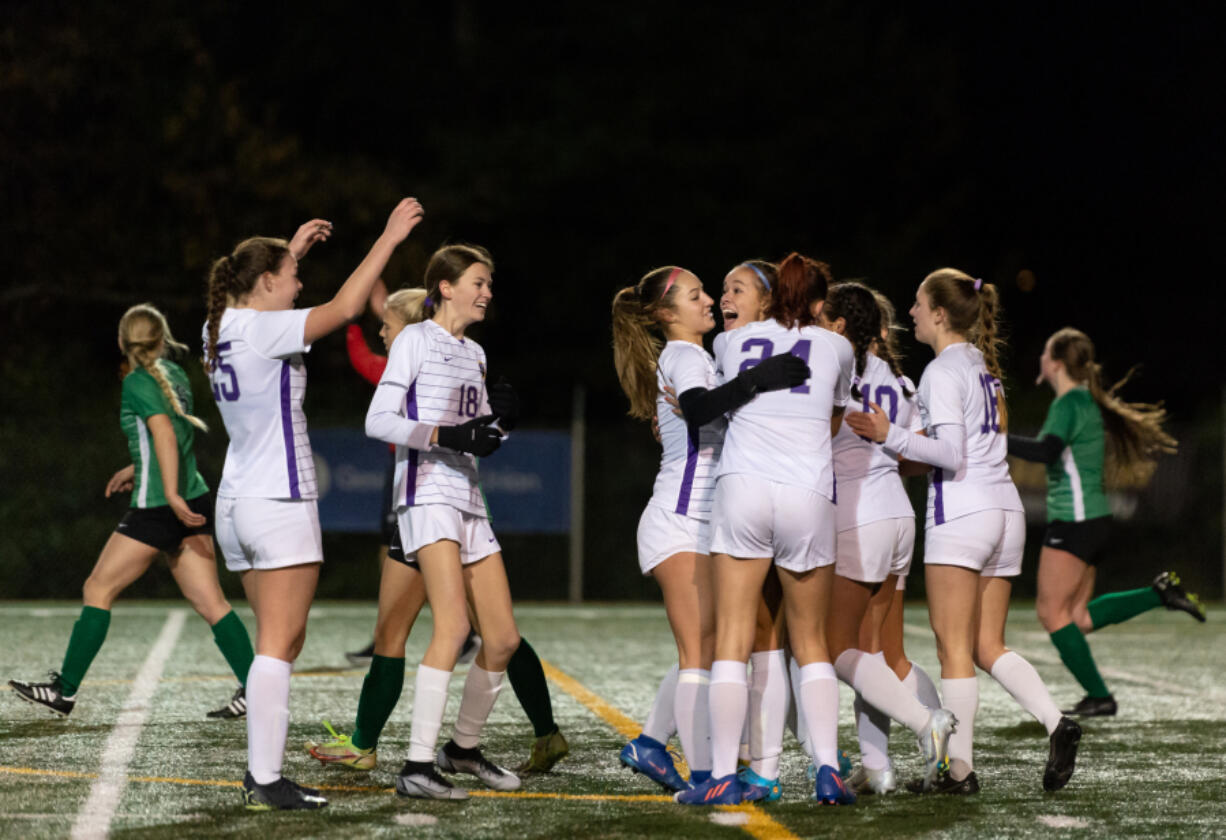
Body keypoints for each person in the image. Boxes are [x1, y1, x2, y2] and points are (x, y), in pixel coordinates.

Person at [204, 199, 423, 811]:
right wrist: (386, 237)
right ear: (266, 283)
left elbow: (254, 291)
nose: (300, 285)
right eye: (292, 277)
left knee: (276, 642)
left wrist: (290, 252)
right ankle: (266, 778)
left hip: (237, 502)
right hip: (278, 497)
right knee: (281, 642)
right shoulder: (263, 327)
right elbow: (348, 308)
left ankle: (263, 771)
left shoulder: (216, 324)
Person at [306, 286, 568, 775]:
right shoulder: (431, 355)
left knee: (477, 631)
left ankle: (417, 754)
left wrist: (497, 420)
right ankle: (538, 732)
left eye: (387, 324)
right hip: (425, 499)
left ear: (406, 327)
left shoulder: (429, 353)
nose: (382, 332)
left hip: (432, 500)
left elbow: (465, 429)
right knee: (416, 630)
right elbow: (470, 426)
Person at [846, 269, 1080, 795]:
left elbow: (950, 455)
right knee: (986, 645)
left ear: (940, 314)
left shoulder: (943, 369)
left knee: (954, 648)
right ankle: (1055, 721)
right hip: (1006, 512)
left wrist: (891, 434)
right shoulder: (982, 367)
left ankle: (960, 773)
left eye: (917, 303)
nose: (909, 313)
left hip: (964, 513)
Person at [9, 304, 254, 721]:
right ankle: (257, 688)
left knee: (97, 589)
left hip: (161, 505)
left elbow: (161, 432)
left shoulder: (137, 381)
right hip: (189, 497)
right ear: (161, 339)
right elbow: (173, 437)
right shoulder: (174, 375)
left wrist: (169, 494)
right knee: (213, 603)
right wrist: (138, 467)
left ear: (122, 343)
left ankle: (63, 691)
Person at [678, 252, 857, 806]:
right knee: (811, 642)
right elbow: (831, 418)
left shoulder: (731, 343)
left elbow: (718, 403)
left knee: (733, 639)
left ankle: (727, 775)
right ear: (820, 302)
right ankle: (827, 768)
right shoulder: (839, 346)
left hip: (744, 487)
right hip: (806, 490)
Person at [365, 243, 525, 801]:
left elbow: (479, 436)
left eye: (488, 283)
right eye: (477, 282)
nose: (486, 292)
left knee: (502, 638)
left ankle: (461, 749)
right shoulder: (414, 339)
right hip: (427, 495)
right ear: (446, 287)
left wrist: (499, 422)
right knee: (453, 628)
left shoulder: (474, 353)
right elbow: (379, 419)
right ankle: (415, 766)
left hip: (469, 497)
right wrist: (449, 434)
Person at [1007, 327, 1200, 717]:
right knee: (1077, 617)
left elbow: (1047, 451)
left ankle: (1100, 696)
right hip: (1094, 521)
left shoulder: (1068, 404)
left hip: (1075, 521)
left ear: (1056, 363)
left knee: (1052, 614)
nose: (1041, 359)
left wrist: (995, 439)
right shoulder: (1084, 401)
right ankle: (1158, 594)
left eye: (1046, 353)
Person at [817, 281, 956, 796]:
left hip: (858, 517)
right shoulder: (899, 378)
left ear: (837, 325)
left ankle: (927, 725)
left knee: (835, 649)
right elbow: (915, 454)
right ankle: (884, 766)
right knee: (886, 655)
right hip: (899, 514)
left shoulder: (833, 370)